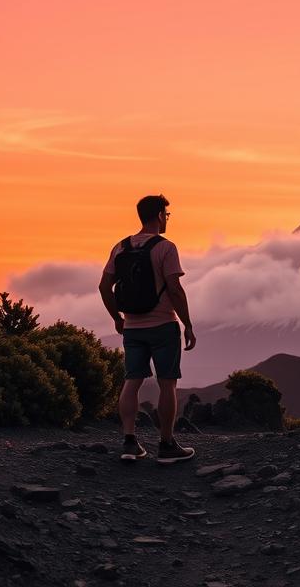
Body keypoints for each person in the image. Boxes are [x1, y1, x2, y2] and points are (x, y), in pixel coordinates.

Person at [98, 194, 197, 463]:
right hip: (163, 325)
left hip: (132, 327)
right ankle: (166, 445)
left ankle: (129, 442)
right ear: (158, 216)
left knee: (132, 382)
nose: (167, 219)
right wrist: (187, 323)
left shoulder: (121, 247)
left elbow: (104, 287)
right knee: (167, 384)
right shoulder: (165, 248)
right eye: (166, 214)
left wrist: (116, 318)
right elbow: (174, 288)